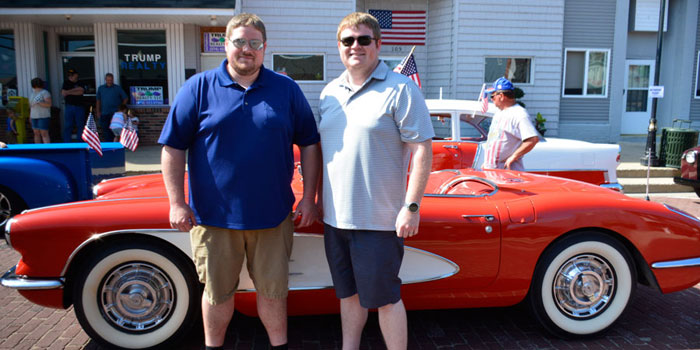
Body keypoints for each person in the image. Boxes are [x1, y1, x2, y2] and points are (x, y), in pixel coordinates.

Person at [159, 13, 321, 350]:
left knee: (274, 293)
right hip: (213, 219)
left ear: (264, 48)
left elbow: (309, 142)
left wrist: (308, 198)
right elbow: (172, 147)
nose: (246, 49)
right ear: (226, 44)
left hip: (273, 217)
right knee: (217, 295)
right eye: (239, 42)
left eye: (254, 43)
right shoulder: (198, 88)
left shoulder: (286, 89)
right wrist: (176, 202)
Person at [317, 12, 434, 350]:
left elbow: (422, 150)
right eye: (348, 41)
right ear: (339, 47)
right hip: (335, 220)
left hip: (379, 222)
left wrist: (411, 207)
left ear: (378, 44)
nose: (356, 46)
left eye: (364, 39)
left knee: (385, 299)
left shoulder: (401, 89)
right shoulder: (329, 93)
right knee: (348, 295)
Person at [482, 77, 539, 171]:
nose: (491, 99)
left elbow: (532, 139)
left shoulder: (519, 114)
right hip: (493, 170)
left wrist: (514, 156)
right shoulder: (499, 112)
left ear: (501, 96)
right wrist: (487, 162)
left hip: (508, 173)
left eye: (492, 96)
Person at [96, 73, 128, 141]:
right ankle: (109, 146)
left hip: (115, 114)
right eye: (108, 80)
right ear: (105, 80)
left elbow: (125, 98)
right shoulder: (101, 88)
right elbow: (98, 100)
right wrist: (98, 111)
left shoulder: (117, 88)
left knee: (116, 131)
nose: (109, 81)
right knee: (106, 130)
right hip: (105, 112)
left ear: (113, 79)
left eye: (111, 80)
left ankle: (116, 146)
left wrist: (121, 109)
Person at [61, 69, 86, 142]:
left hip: (79, 106)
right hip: (69, 107)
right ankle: (67, 142)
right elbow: (63, 93)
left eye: (73, 75)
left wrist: (68, 92)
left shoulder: (80, 82)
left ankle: (80, 141)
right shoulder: (66, 83)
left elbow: (81, 91)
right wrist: (75, 90)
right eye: (70, 75)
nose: (72, 76)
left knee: (80, 125)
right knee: (68, 125)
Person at [29, 77, 52, 144]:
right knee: (36, 133)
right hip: (34, 116)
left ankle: (47, 149)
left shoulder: (45, 93)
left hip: (43, 116)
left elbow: (49, 104)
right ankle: (37, 148)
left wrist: (39, 103)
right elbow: (31, 107)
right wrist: (30, 116)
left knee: (44, 133)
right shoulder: (32, 94)